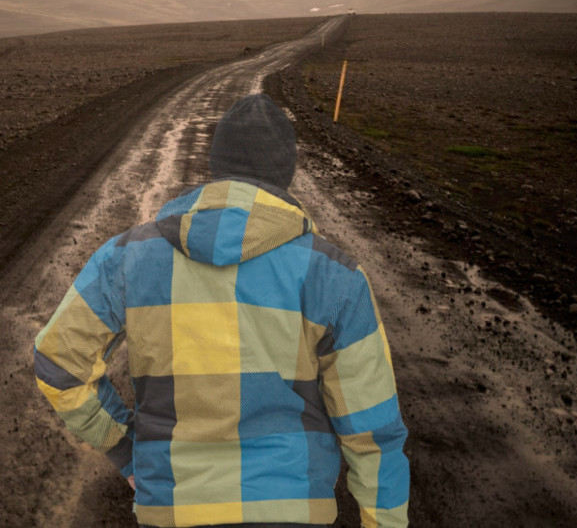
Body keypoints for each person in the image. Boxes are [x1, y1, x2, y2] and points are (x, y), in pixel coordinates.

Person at [34, 93, 410, 527]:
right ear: (284, 173)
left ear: (216, 166)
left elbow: (58, 363)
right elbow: (373, 434)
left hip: (172, 511)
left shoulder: (125, 258)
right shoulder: (335, 276)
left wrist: (125, 447)